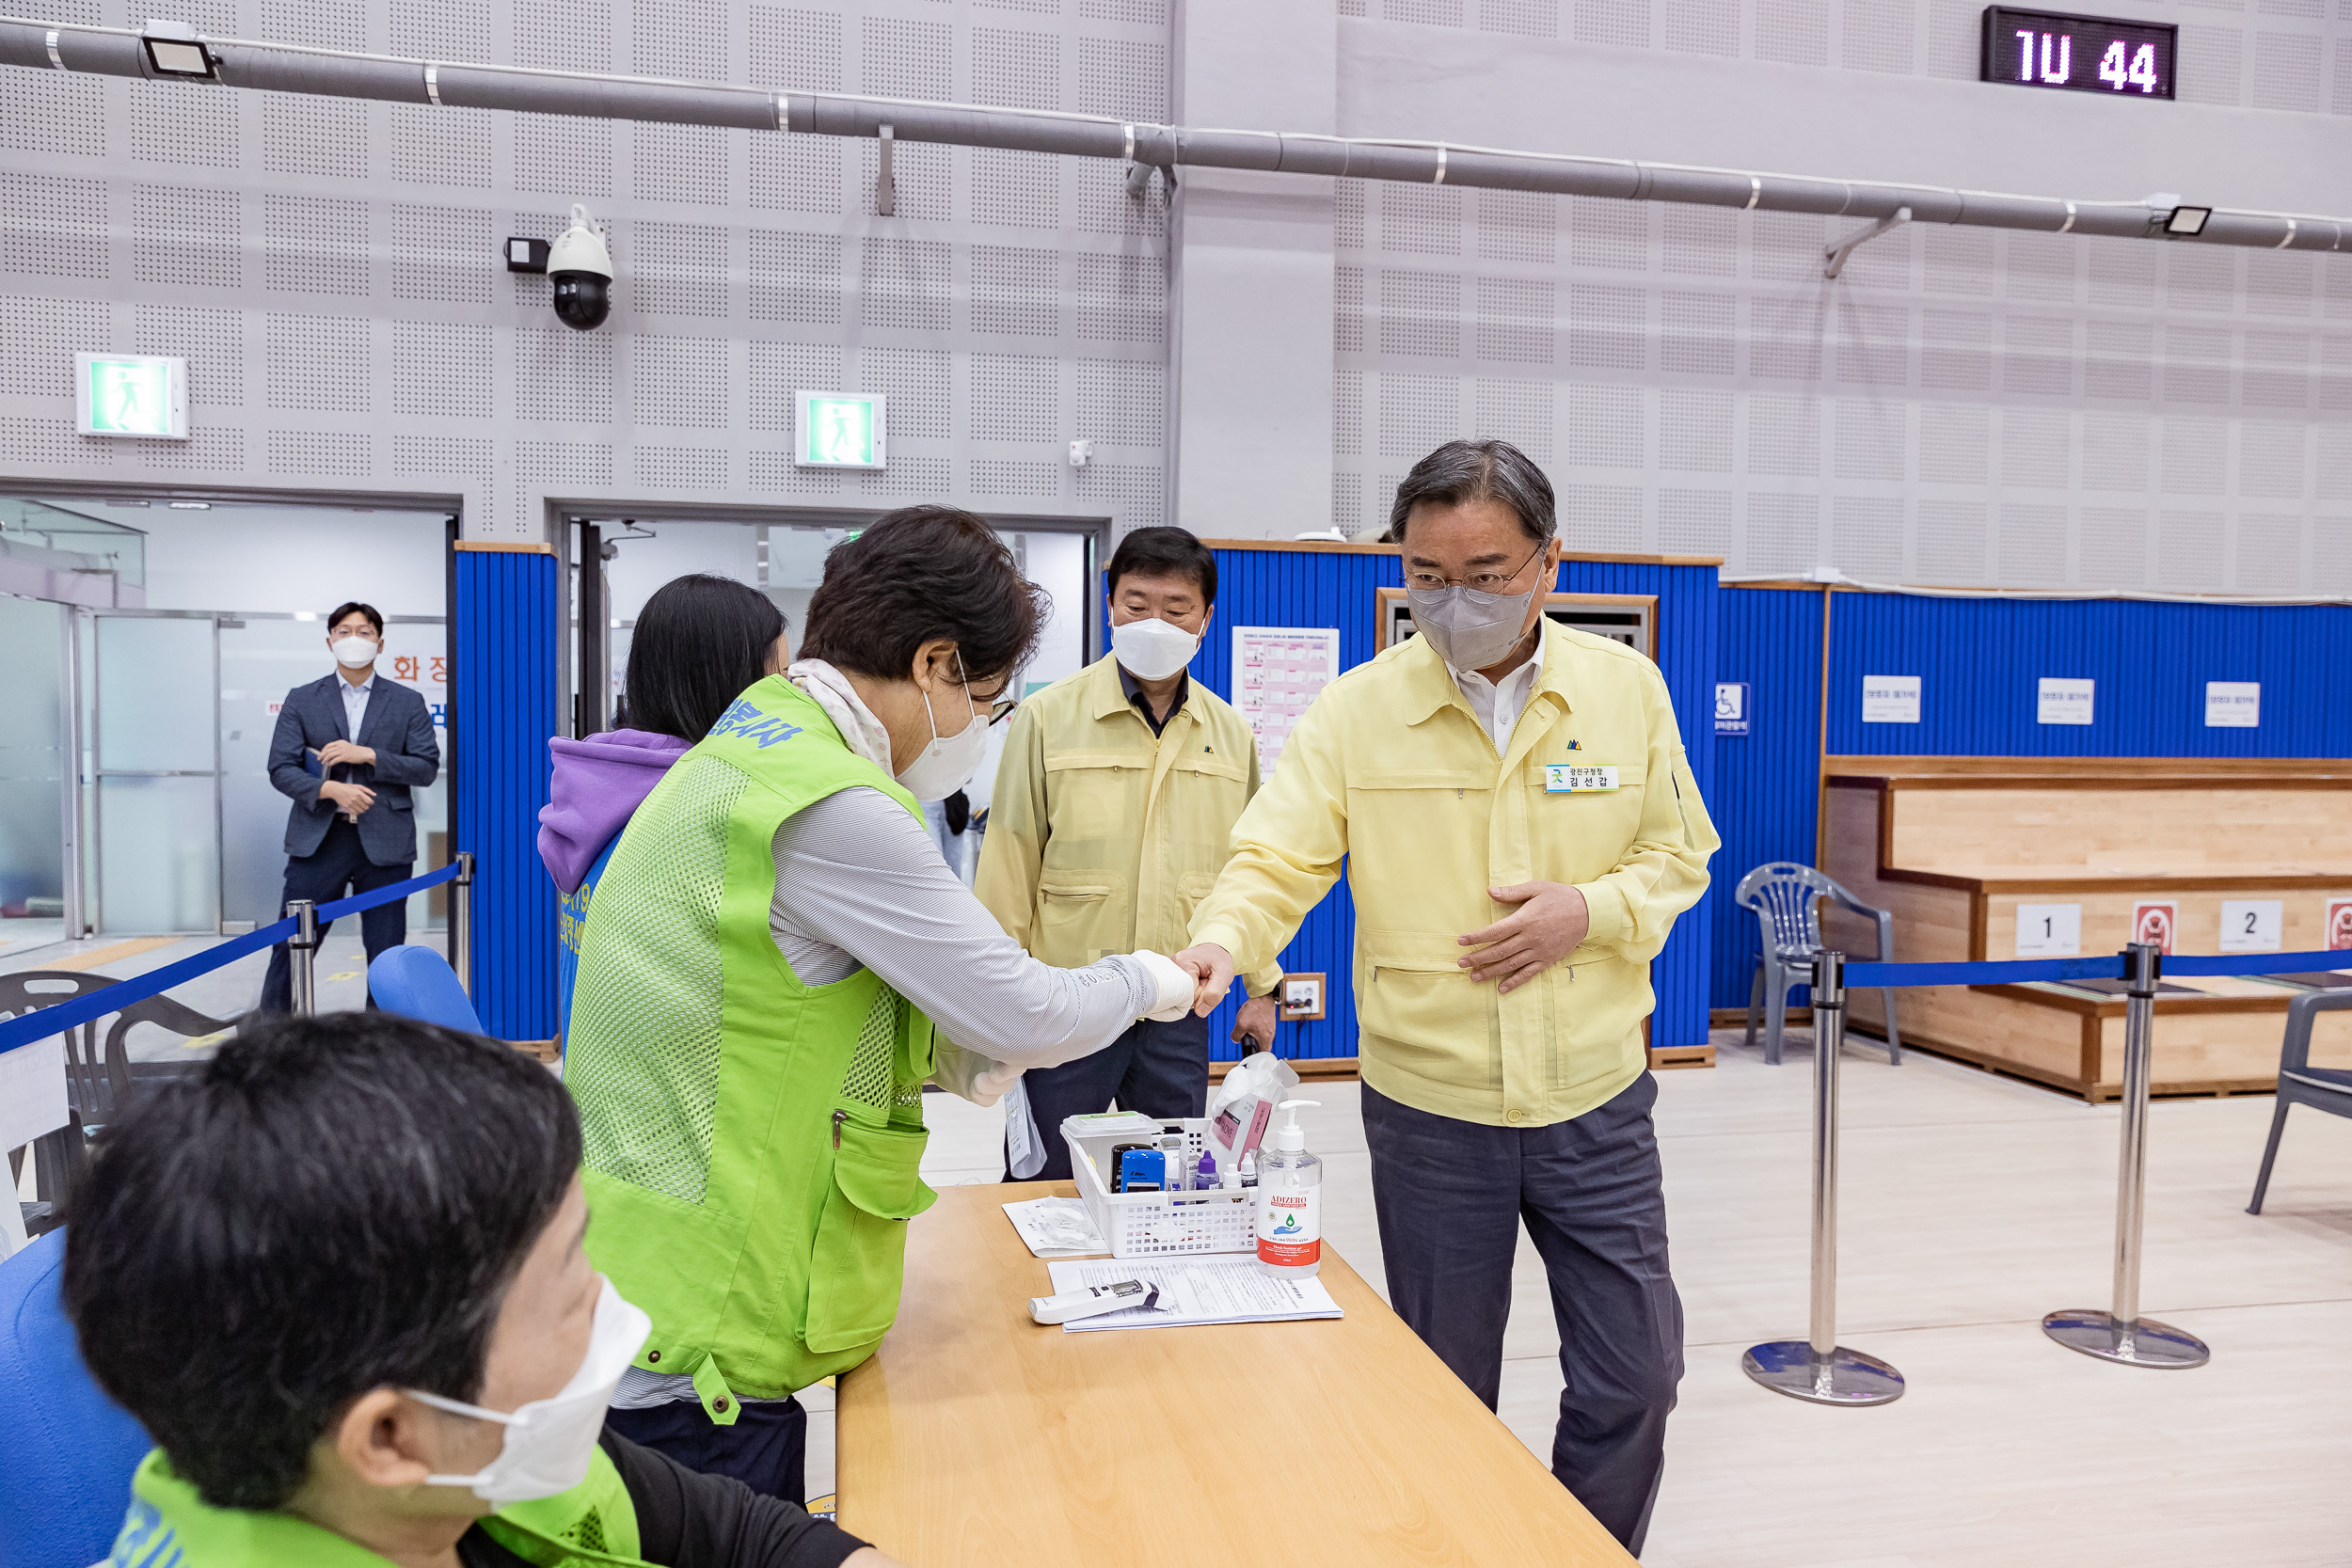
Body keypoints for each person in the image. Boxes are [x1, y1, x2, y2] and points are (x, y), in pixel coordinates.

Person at [564, 505, 1199, 1507]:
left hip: (635, 1272)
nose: (978, 730)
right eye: (984, 699)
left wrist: (956, 1054)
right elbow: (1023, 1008)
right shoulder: (832, 801)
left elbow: (792, 993)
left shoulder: (745, 747)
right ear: (936, 662)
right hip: (700, 1336)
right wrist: (1153, 979)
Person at [1172, 439, 1719, 1554]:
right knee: (1441, 1390)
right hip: (1432, 1114)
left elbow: (1678, 857)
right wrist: (1223, 943)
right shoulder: (1357, 710)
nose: (1453, 598)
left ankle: (1578, 1546)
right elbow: (1273, 859)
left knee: (1636, 1374)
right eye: (1427, 573)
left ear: (1547, 561)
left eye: (1484, 571)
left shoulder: (1624, 690)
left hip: (1595, 1101)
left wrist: (1590, 910)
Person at [63, 1011, 902, 1568]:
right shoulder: (481, 1440)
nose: (609, 1300)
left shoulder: (479, 1455)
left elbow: (737, 1532)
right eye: (569, 1283)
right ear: (389, 1436)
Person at [975, 526, 1282, 1181]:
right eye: (1137, 603)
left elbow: (1250, 871)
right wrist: (996, 996)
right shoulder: (1047, 717)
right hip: (1067, 1003)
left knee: (1171, 1184)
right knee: (1049, 1182)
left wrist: (1264, 987)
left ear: (1206, 618)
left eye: (1176, 609)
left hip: (1180, 1001)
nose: (1155, 621)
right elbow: (1009, 858)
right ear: (1110, 604)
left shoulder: (1229, 734)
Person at [540, 575, 789, 1043]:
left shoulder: (602, 779)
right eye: (778, 682)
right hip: (665, 1091)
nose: (790, 703)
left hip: (595, 1072)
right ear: (731, 682)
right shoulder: (702, 801)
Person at [260, 601, 441, 1012]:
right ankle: (272, 1033)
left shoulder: (406, 701)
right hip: (318, 840)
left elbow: (426, 767)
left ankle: (379, 1041)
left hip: (385, 842)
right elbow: (280, 768)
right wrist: (331, 792)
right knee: (293, 942)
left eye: (364, 631)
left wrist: (369, 755)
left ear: (379, 643)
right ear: (330, 641)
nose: (353, 639)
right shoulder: (304, 699)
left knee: (386, 951)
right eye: (344, 631)